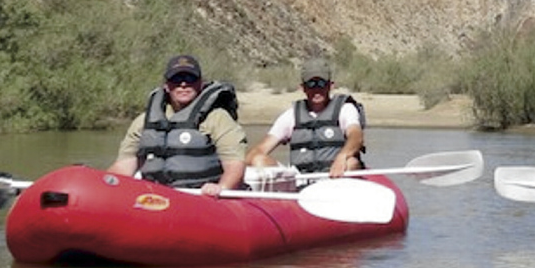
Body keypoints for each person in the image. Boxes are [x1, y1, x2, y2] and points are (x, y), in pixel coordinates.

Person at [107, 54, 248, 196]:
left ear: (200, 84)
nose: (183, 84)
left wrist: (222, 187)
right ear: (166, 86)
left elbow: (234, 165)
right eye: (176, 79)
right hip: (155, 197)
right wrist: (104, 184)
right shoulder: (144, 121)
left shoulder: (218, 118)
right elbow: (124, 165)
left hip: (202, 197)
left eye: (190, 78)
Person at [246, 56, 367, 178]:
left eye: (321, 84)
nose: (316, 90)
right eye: (311, 84)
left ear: (331, 86)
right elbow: (260, 149)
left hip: (335, 177)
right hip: (300, 179)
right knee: (258, 160)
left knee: (350, 162)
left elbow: (356, 136)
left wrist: (342, 156)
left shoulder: (345, 109)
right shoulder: (291, 115)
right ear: (302, 88)